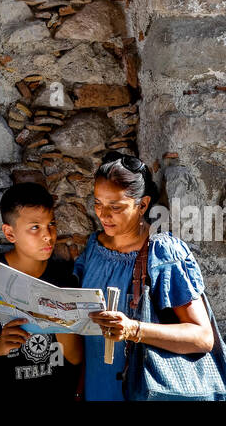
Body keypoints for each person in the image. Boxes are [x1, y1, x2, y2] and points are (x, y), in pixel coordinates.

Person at [76, 151, 215, 401]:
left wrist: (133, 329)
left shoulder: (163, 253)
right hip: (97, 386)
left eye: (115, 207)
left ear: (142, 204)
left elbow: (202, 337)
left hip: (141, 389)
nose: (103, 215)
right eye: (98, 203)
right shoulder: (93, 248)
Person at [0, 182, 85, 401]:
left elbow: (75, 358)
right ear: (10, 233)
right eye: (35, 227)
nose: (48, 235)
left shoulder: (64, 280)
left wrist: (60, 322)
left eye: (51, 224)